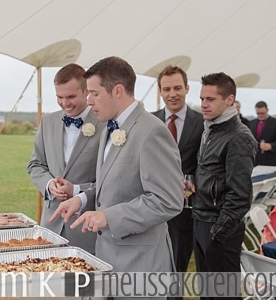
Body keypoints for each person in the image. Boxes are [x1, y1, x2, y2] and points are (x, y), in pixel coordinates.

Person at [50, 56, 182, 278]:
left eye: (94, 93)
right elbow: (113, 185)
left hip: (140, 264)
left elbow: (168, 200)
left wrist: (109, 217)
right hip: (107, 257)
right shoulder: (108, 128)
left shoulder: (152, 132)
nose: (89, 101)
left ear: (118, 90)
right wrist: (81, 199)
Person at [192, 73, 256, 299]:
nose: (204, 105)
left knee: (222, 295)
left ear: (229, 100)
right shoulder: (210, 128)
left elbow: (240, 196)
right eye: (202, 99)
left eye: (210, 99)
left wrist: (216, 233)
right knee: (208, 294)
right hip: (201, 220)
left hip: (219, 228)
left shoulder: (239, 137)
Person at [27, 63, 101, 254]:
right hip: (51, 226)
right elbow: (35, 165)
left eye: (71, 97)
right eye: (59, 97)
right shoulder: (48, 121)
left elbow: (109, 179)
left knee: (84, 283)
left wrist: (78, 190)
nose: (65, 103)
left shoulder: (104, 124)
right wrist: (49, 184)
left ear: (86, 91)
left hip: (86, 227)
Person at [152, 65, 204, 279]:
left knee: (177, 270)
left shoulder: (202, 123)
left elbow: (206, 163)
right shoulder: (149, 121)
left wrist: (195, 183)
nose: (172, 94)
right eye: (167, 89)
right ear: (160, 91)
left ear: (187, 88)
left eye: (177, 88)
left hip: (185, 210)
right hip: (151, 208)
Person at [247, 101, 276, 167]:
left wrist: (271, 146)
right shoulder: (250, 123)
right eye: (258, 113)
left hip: (271, 160)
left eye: (262, 113)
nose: (260, 115)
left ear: (267, 110)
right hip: (254, 160)